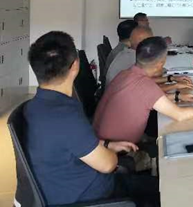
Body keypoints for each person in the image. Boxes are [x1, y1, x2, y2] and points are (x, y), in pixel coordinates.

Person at [23, 31, 159, 207]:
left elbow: (68, 142)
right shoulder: (64, 115)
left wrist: (106, 144)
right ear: (75, 65)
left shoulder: (37, 105)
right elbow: (108, 165)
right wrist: (112, 154)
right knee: (165, 191)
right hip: (92, 197)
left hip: (67, 187)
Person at [93, 37, 193, 144]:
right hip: (116, 151)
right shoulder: (145, 86)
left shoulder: (125, 73)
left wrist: (177, 96)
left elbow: (145, 99)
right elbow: (179, 115)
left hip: (100, 141)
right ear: (161, 64)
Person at [106, 26, 193, 92]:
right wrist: (175, 86)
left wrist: (172, 78)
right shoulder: (133, 58)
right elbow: (147, 88)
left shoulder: (128, 53)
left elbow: (146, 81)